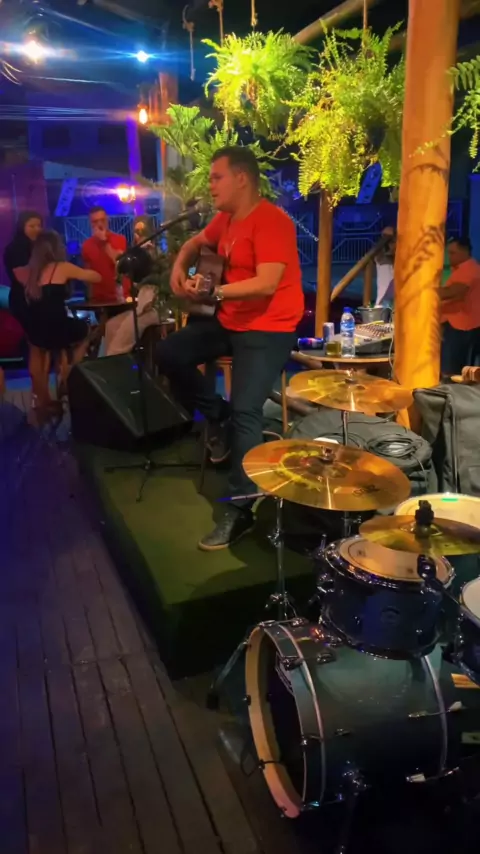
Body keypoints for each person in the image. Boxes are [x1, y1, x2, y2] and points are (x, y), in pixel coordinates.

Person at [156, 145, 304, 551]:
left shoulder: (272, 222)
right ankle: (216, 416)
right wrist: (179, 266)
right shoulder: (225, 220)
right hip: (230, 321)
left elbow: (267, 283)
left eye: (216, 177)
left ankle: (241, 507)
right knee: (168, 354)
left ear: (242, 178)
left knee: (247, 410)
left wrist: (214, 291)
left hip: (270, 328)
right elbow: (193, 243)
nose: (210, 184)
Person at [15, 230, 101, 406]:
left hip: (37, 332)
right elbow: (96, 277)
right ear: (55, 248)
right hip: (59, 329)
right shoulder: (61, 267)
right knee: (88, 330)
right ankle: (69, 374)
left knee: (43, 347)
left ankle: (42, 399)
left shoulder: (29, 272)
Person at [104, 216, 160, 357]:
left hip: (150, 309)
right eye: (136, 231)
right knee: (110, 326)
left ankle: (113, 360)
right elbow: (122, 274)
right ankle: (113, 364)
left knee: (119, 345)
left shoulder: (153, 253)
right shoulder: (135, 255)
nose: (138, 235)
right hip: (139, 307)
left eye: (142, 231)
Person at [440, 237, 480, 376]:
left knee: (452, 370)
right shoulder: (460, 270)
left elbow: (452, 292)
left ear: (465, 251)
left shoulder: (469, 269)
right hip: (457, 325)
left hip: (462, 327)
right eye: (448, 253)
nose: (449, 257)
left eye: (453, 253)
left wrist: (423, 291)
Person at [81, 206, 130, 304]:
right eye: (95, 222)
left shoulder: (120, 239)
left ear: (107, 220)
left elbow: (119, 263)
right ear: (90, 224)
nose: (99, 224)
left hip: (121, 297)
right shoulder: (86, 245)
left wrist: (104, 241)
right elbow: (87, 276)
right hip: (99, 300)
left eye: (102, 220)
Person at [4, 210, 43, 327]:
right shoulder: (16, 248)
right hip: (23, 299)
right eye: (32, 226)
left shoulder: (39, 247)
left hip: (36, 299)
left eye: (39, 226)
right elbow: (22, 276)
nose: (37, 229)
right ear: (22, 227)